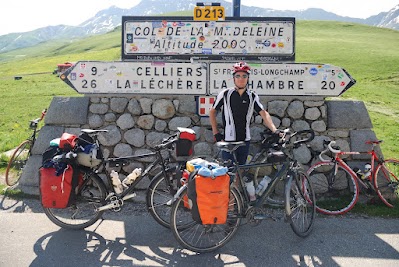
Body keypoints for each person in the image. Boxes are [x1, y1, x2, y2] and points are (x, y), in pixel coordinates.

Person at [209, 61, 279, 201]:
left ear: (248, 78)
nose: (241, 78)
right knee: (228, 174)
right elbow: (212, 112)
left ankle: (234, 204)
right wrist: (216, 133)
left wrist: (274, 130)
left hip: (244, 141)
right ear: (233, 78)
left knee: (240, 173)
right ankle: (225, 206)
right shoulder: (225, 94)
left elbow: (263, 113)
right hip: (228, 141)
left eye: (244, 76)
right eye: (238, 75)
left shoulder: (252, 96)